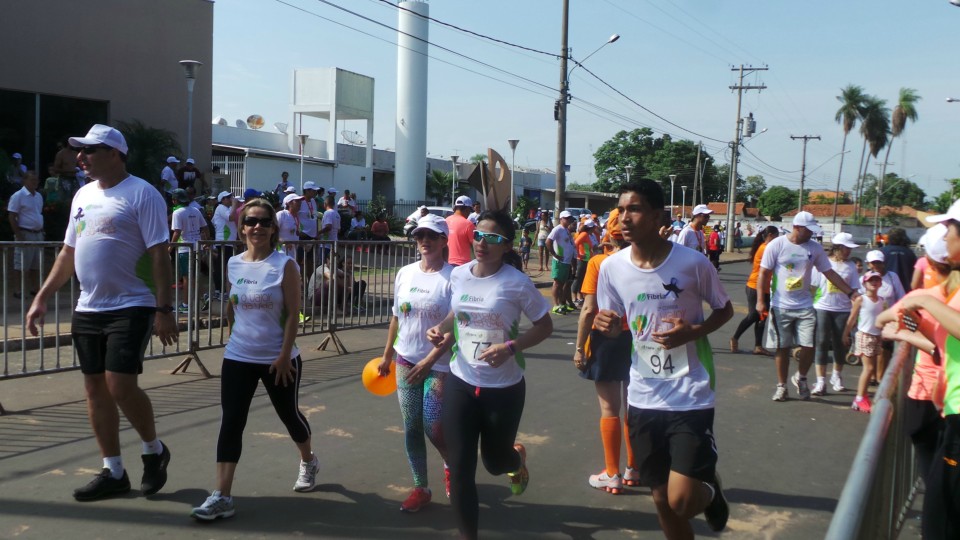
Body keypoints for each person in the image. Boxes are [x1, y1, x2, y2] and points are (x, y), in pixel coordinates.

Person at [25, 124, 177, 501]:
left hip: (133, 304)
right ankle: (113, 471)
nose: (81, 158)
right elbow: (68, 254)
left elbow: (159, 254)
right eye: (80, 151)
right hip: (88, 306)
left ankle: (154, 450)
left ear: (114, 153)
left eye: (90, 151)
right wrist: (41, 297)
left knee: (120, 386)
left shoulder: (143, 193)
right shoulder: (82, 195)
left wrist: (164, 308)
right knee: (94, 389)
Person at [593, 179, 734, 537]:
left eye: (635, 209)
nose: (624, 218)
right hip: (642, 396)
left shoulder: (692, 263)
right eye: (620, 210)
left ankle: (710, 490)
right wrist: (603, 323)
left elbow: (724, 309)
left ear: (657, 216)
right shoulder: (612, 267)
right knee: (660, 499)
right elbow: (612, 325)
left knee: (682, 501)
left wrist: (693, 332)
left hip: (690, 393)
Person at [426, 209, 553, 540]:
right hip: (461, 382)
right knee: (461, 468)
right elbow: (458, 314)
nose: (483, 243)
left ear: (506, 246)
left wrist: (510, 347)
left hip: (503, 388)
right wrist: (441, 329)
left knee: (496, 463)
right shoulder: (460, 275)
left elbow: (545, 326)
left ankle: (516, 459)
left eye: (493, 238)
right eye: (479, 235)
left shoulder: (516, 283)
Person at [190, 198, 318, 521]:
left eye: (263, 221)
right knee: (231, 421)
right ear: (241, 226)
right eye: (250, 221)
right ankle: (222, 495)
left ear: (274, 228)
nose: (256, 227)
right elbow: (233, 304)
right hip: (238, 356)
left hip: (278, 358)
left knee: (289, 415)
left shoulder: (285, 265)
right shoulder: (234, 263)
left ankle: (308, 460)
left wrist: (285, 355)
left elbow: (292, 314)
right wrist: (233, 335)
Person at [891, 202, 960, 538]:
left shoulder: (937, 295)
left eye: (950, 230)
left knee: (941, 521)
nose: (945, 238)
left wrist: (924, 303)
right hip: (950, 410)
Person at [378, 213, 454, 513]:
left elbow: (456, 326)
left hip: (439, 363)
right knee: (411, 426)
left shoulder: (453, 277)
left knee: (433, 426)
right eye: (420, 236)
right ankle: (421, 487)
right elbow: (396, 316)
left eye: (431, 236)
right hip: (406, 359)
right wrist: (387, 355)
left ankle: (452, 467)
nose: (424, 241)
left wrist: (431, 358)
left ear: (443, 241)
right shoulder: (405, 273)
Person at [757, 211, 860, 402]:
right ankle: (782, 386)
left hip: (805, 304)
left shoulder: (815, 248)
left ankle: (801, 377)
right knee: (783, 347)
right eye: (808, 230)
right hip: (781, 305)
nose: (812, 234)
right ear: (797, 227)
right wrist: (760, 300)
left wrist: (850, 292)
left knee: (809, 345)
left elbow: (830, 273)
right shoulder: (777, 245)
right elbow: (764, 273)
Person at [876, 225, 949, 482]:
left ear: (928, 262)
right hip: (944, 394)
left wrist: (911, 335)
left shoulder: (922, 297)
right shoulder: (923, 298)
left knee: (932, 466)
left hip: (930, 393)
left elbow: (883, 324)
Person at [573, 211, 638, 495]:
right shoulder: (641, 261)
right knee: (633, 405)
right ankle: (634, 469)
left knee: (609, 408)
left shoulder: (599, 262)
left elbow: (589, 310)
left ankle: (612, 473)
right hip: (636, 337)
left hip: (606, 338)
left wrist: (579, 347)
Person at [809, 232, 861, 395]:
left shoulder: (851, 266)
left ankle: (837, 376)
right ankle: (820, 381)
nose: (849, 252)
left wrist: (856, 309)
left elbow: (854, 290)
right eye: (847, 248)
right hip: (822, 307)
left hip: (843, 310)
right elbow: (813, 286)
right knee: (822, 341)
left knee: (841, 344)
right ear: (838, 248)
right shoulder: (823, 264)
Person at [730, 226, 779, 356]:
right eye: (777, 236)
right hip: (755, 285)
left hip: (764, 286)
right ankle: (735, 338)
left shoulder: (766, 246)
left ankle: (758, 346)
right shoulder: (766, 248)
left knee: (762, 317)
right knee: (754, 315)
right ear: (770, 235)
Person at [843, 271, 885, 413]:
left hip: (876, 336)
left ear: (880, 283)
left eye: (876, 280)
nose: (874, 283)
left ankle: (863, 396)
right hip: (864, 335)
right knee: (868, 369)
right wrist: (846, 334)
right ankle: (859, 398)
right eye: (870, 281)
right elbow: (852, 318)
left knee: (871, 368)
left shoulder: (881, 300)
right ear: (865, 284)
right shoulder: (861, 299)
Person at [865, 249, 905, 380]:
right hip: (870, 319)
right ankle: (871, 375)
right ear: (868, 264)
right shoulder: (863, 279)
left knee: (884, 349)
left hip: (888, 319)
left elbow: (901, 297)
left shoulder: (892, 277)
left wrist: (898, 317)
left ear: (884, 263)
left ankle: (880, 378)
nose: (876, 266)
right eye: (873, 263)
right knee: (870, 348)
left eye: (879, 263)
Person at [169, 188, 208, 312]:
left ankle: (186, 305)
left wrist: (169, 248)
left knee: (186, 277)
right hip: (197, 246)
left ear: (175, 200)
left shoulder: (177, 213)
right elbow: (205, 227)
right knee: (195, 275)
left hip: (185, 248)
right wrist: (206, 242)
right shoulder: (196, 210)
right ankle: (203, 297)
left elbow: (177, 232)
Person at [7, 170, 45, 299]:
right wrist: (18, 234)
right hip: (25, 232)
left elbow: (37, 214)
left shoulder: (38, 196)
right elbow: (12, 216)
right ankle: (18, 290)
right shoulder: (18, 195)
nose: (35, 182)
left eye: (36, 180)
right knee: (21, 264)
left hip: (38, 234)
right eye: (32, 180)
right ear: (25, 181)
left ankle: (35, 288)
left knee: (36, 264)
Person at [546, 210, 576, 314]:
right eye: (566, 218)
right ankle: (555, 305)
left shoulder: (566, 230)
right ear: (561, 219)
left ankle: (561, 304)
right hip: (559, 262)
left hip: (566, 262)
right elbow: (548, 241)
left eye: (569, 218)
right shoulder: (557, 229)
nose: (568, 220)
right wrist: (555, 255)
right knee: (557, 284)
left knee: (562, 284)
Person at [211, 191, 239, 299]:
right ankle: (220, 291)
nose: (231, 199)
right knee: (221, 267)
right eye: (228, 197)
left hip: (228, 243)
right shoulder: (221, 207)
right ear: (222, 200)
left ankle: (222, 291)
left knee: (226, 267)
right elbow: (230, 218)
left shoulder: (227, 209)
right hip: (223, 242)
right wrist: (235, 205)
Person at [572, 219, 598, 306]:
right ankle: (574, 297)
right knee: (578, 278)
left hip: (587, 260)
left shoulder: (588, 235)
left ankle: (580, 297)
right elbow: (575, 243)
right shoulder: (584, 234)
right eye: (594, 227)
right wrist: (579, 254)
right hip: (582, 260)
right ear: (591, 228)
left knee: (582, 279)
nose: (595, 229)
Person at [445, 195, 476, 267]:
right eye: (469, 211)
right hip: (462, 265)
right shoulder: (468, 224)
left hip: (445, 263)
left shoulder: (446, 221)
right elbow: (476, 244)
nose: (469, 213)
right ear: (467, 209)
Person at [277, 193, 303, 259]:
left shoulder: (297, 217)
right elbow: (272, 232)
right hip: (280, 252)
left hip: (293, 254)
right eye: (296, 201)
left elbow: (295, 234)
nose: (299, 203)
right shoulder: (282, 214)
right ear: (289, 203)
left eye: (300, 201)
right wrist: (283, 242)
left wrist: (303, 245)